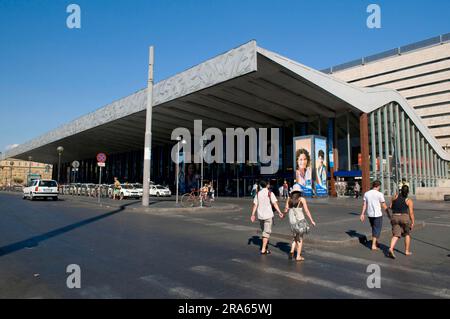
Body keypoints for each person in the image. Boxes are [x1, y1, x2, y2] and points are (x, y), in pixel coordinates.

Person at [250, 180, 284, 255]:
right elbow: (275, 204)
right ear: (267, 185)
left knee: (264, 231)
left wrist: (253, 214)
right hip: (268, 215)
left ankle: (264, 246)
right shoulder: (270, 193)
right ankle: (263, 249)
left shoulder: (258, 194)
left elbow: (255, 205)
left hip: (260, 216)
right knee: (266, 233)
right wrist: (279, 212)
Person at [284, 184, 316, 261]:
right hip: (300, 221)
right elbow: (307, 211)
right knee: (300, 239)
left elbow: (285, 210)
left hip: (292, 221)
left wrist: (283, 215)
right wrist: (312, 220)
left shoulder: (289, 199)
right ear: (299, 192)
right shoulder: (301, 199)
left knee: (295, 236)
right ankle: (298, 256)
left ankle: (291, 251)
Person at [360, 180, 388, 251]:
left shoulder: (366, 193)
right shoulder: (379, 194)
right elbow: (383, 204)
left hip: (370, 214)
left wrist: (362, 214)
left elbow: (364, 204)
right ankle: (373, 245)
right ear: (378, 186)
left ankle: (375, 242)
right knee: (377, 229)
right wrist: (388, 213)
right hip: (377, 214)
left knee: (374, 228)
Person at [388, 185, 415, 259]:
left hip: (395, 217)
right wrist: (412, 222)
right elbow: (411, 213)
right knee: (407, 234)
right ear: (408, 192)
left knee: (396, 235)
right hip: (404, 217)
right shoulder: (409, 200)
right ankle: (406, 251)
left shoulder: (395, 196)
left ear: (400, 190)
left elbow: (390, 207)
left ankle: (391, 248)